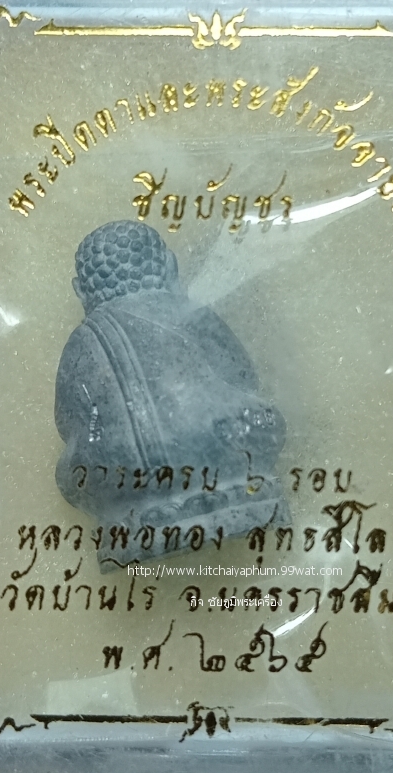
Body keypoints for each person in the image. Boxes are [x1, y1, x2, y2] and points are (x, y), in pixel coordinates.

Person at [55, 220, 289, 569]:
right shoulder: (189, 313)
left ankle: (139, 519)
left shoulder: (82, 341)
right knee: (258, 416)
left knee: (72, 473)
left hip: (129, 483)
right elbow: (242, 376)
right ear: (168, 265)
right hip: (220, 449)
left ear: (81, 290)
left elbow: (69, 423)